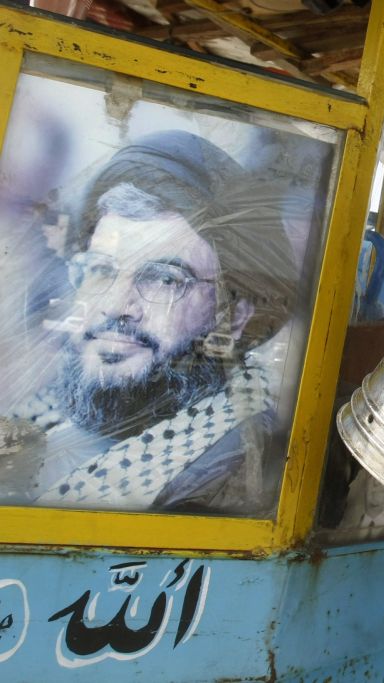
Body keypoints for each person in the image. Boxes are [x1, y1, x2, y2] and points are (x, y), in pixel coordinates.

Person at [4, 130, 299, 516]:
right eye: (100, 270)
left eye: (163, 279)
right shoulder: (45, 413)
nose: (114, 306)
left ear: (233, 316)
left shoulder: (230, 474)